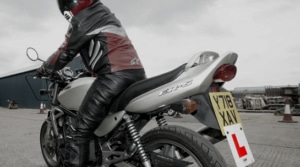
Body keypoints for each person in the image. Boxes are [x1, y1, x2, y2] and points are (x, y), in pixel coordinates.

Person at [37, 0, 146, 166]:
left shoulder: (83, 18)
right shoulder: (103, 13)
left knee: (79, 130)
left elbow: (66, 51)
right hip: (136, 74)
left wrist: (45, 68)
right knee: (118, 130)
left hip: (114, 76)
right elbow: (105, 49)